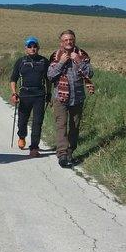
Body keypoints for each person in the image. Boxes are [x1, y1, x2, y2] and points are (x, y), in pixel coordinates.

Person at [47, 29, 94, 167]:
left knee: (75, 126)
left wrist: (78, 60)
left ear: (74, 41)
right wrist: (61, 62)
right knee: (61, 125)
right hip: (60, 97)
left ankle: (70, 152)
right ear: (61, 42)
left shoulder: (82, 55)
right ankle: (62, 155)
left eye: (71, 40)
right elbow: (50, 76)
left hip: (77, 97)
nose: (68, 42)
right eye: (65, 40)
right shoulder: (55, 56)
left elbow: (90, 73)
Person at [10, 36, 50, 158]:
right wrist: (14, 93)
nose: (33, 48)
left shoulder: (44, 61)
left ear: (38, 48)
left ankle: (34, 148)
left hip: (39, 95)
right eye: (30, 46)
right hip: (25, 95)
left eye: (35, 46)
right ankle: (22, 136)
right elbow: (13, 79)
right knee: (22, 121)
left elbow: (48, 80)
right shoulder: (21, 61)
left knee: (37, 122)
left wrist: (49, 93)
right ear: (26, 48)